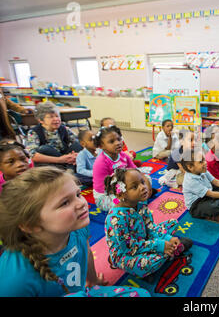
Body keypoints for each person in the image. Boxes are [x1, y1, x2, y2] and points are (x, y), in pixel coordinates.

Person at [0, 166, 150, 297]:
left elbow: (87, 251)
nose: (82, 204)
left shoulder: (77, 227)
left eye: (78, 194)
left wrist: (93, 280)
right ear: (31, 224)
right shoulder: (14, 280)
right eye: (65, 202)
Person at [104, 167, 192, 280]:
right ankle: (169, 253)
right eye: (135, 187)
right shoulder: (116, 219)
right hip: (127, 253)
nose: (143, 187)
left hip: (143, 240)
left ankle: (167, 251)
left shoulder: (141, 204)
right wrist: (160, 245)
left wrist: (168, 238)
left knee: (173, 223)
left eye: (142, 182)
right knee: (147, 264)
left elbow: (151, 228)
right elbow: (130, 248)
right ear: (121, 195)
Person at [92, 125, 151, 212]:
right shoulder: (100, 162)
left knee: (147, 179)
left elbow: (136, 171)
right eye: (111, 141)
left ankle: (135, 197)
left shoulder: (123, 155)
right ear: (101, 146)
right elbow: (104, 188)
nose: (117, 143)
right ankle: (133, 201)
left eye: (119, 139)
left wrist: (146, 184)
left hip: (125, 186)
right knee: (120, 202)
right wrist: (128, 192)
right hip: (107, 194)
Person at [181, 149, 219, 223]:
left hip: (208, 193)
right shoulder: (190, 181)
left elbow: (215, 181)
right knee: (214, 207)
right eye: (201, 162)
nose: (205, 163)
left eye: (204, 160)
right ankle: (215, 213)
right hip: (197, 204)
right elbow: (211, 194)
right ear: (190, 167)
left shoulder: (203, 170)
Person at [25, 102, 83, 171]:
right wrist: (59, 159)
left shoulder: (63, 128)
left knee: (77, 144)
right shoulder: (34, 132)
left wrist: (74, 155)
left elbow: (77, 141)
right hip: (50, 162)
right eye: (51, 117)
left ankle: (69, 169)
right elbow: (32, 155)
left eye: (57, 116)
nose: (56, 119)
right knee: (44, 149)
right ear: (41, 120)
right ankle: (69, 168)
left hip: (65, 158)